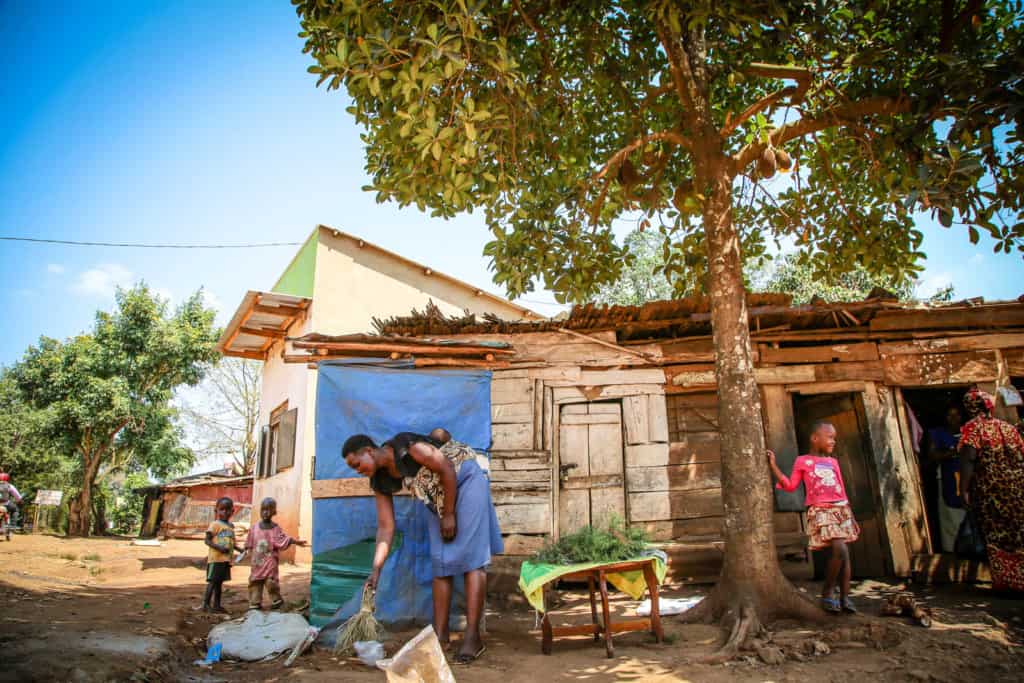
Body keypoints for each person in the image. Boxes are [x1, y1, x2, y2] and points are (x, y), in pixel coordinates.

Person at [342, 431, 503, 664]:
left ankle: (472, 637)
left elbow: (446, 468)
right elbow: (386, 527)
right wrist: (376, 570)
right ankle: (440, 637)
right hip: (437, 496)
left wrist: (448, 514)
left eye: (356, 464)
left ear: (368, 451)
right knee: (441, 563)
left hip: (464, 480)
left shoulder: (408, 448)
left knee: (472, 561)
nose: (357, 470)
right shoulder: (379, 481)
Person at [767, 422, 860, 613]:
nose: (833, 441)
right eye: (829, 437)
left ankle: (844, 597)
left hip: (841, 508)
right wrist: (774, 466)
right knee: (840, 549)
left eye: (834, 437)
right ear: (815, 438)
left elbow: (841, 488)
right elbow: (791, 485)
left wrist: (850, 514)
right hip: (821, 510)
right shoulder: (803, 461)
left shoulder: (833, 462)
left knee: (845, 555)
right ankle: (827, 592)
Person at [958, 388, 1024, 592]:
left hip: (991, 493)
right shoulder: (1008, 428)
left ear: (970, 407)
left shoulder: (973, 428)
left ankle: (1007, 584)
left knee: (997, 537)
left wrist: (964, 489)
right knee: (1018, 534)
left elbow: (969, 459)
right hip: (1018, 490)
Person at [245, 497, 308, 610]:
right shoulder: (254, 528)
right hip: (257, 563)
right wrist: (246, 550)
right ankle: (255, 602)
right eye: (263, 509)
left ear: (274, 512)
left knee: (271, 582)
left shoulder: (275, 529)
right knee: (255, 582)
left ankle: (276, 601)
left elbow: (282, 540)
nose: (265, 512)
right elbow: (249, 542)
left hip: (270, 563)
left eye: (268, 510)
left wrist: (295, 541)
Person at [926, 406, 966, 553]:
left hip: (968, 481)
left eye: (956, 415)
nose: (953, 419)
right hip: (947, 479)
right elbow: (932, 455)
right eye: (949, 416)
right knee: (950, 517)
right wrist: (952, 453)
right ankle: (953, 550)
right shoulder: (938, 434)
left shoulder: (968, 433)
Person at [202, 497, 243, 613]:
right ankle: (205, 604)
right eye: (222, 509)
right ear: (216, 511)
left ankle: (217, 605)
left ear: (232, 511)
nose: (224, 512)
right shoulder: (215, 524)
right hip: (216, 559)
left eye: (228, 510)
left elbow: (231, 543)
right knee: (212, 582)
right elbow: (207, 541)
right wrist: (219, 548)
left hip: (225, 560)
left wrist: (239, 549)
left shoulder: (231, 526)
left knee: (219, 583)